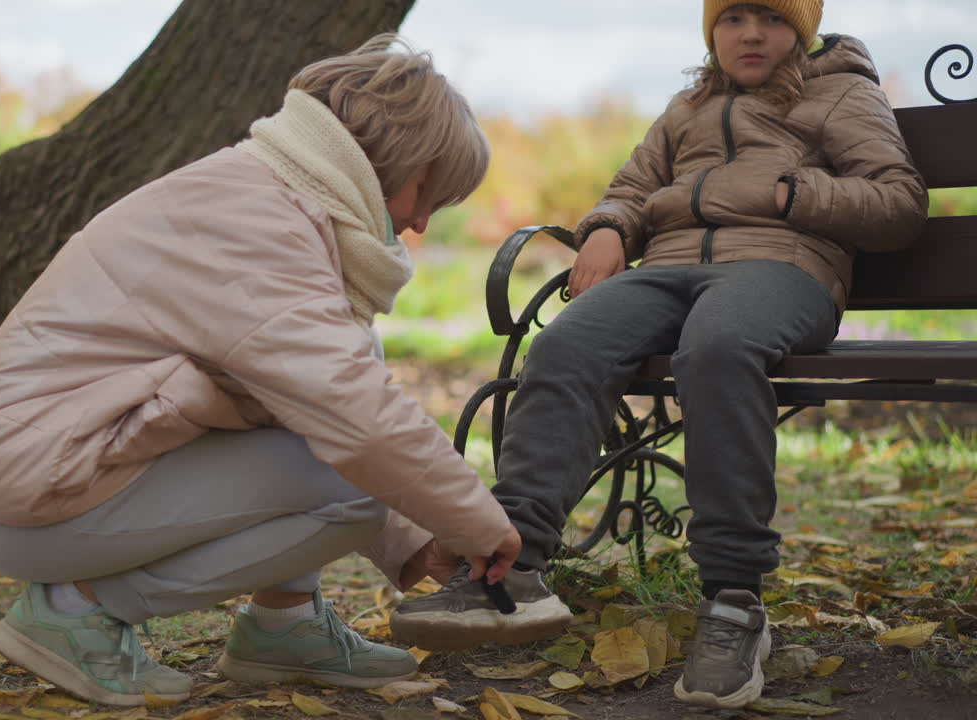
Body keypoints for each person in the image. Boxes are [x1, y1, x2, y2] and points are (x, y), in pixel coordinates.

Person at [0, 34, 526, 708]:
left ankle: (285, 623)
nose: (418, 222)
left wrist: (417, 540)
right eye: (427, 193)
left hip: (49, 466)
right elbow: (356, 421)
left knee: (353, 393)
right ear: (394, 157)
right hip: (30, 490)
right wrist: (479, 523)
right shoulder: (261, 222)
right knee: (352, 481)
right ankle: (74, 610)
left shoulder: (265, 193)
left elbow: (322, 397)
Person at [390, 0, 927, 710]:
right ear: (713, 31)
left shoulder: (843, 91)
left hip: (781, 268)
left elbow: (899, 202)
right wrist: (610, 226)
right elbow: (632, 188)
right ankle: (512, 565)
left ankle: (735, 601)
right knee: (565, 342)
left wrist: (797, 192)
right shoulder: (688, 103)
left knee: (718, 349)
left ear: (800, 28)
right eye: (734, 18)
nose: (751, 34)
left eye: (770, 18)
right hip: (667, 272)